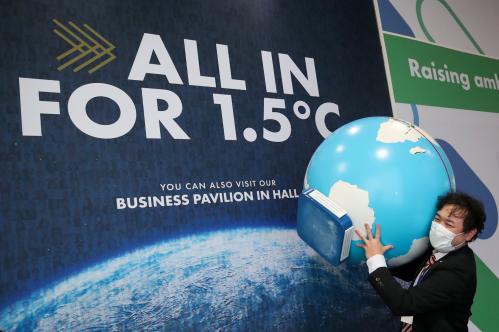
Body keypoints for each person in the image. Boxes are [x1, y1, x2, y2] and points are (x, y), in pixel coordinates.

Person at [355, 191, 486, 332]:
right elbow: (414, 273)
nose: (439, 227)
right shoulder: (440, 248)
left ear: (469, 233)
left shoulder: (458, 271)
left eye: (449, 224)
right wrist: (380, 256)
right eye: (437, 219)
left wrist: (376, 260)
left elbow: (404, 304)